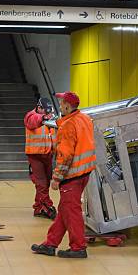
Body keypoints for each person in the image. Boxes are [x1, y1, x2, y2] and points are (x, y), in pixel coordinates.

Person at [31, 91, 96, 258]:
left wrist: (56, 178)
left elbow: (65, 156)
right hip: (84, 172)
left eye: (61, 103)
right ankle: (50, 243)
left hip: (72, 176)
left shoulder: (68, 126)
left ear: (68, 106)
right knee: (65, 209)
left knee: (71, 211)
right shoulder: (85, 119)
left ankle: (78, 247)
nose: (59, 106)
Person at [24, 97, 57, 219]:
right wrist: (43, 118)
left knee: (45, 182)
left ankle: (38, 207)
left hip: (47, 154)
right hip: (35, 155)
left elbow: (53, 136)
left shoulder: (49, 117)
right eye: (45, 111)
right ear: (39, 107)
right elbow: (32, 122)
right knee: (41, 183)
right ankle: (48, 206)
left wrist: (56, 151)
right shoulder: (31, 116)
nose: (48, 114)